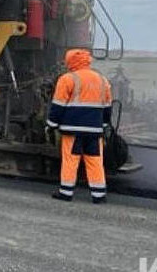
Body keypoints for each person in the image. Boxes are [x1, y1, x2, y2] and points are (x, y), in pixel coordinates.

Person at [46, 48, 113, 204]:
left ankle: (66, 193)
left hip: (72, 130)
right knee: (95, 161)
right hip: (95, 130)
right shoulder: (102, 80)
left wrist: (51, 125)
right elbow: (107, 106)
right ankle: (99, 195)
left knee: (71, 160)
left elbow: (58, 105)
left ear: (71, 62)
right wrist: (103, 125)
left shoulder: (67, 79)